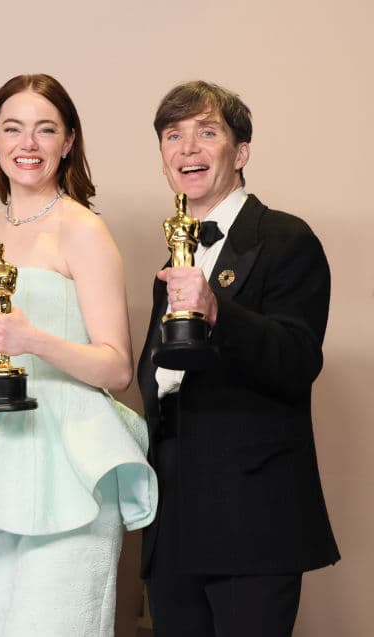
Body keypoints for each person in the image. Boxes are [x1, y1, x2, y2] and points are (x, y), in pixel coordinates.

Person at [0, 73, 158, 636]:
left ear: (69, 141)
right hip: (4, 448)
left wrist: (35, 341)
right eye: (13, 128)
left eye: (45, 129)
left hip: (72, 454)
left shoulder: (83, 229)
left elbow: (117, 366)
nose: (27, 144)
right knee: (2, 624)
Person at [137, 81, 339, 637]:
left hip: (251, 515)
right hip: (172, 514)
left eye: (207, 132)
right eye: (173, 136)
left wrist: (216, 308)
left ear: (241, 152)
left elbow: (299, 359)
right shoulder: (174, 253)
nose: (187, 148)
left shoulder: (283, 237)